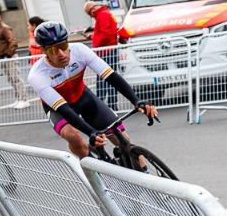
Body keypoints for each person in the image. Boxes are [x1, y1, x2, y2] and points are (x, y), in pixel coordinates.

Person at [29, 21, 157, 161]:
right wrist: (91, 132)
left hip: (83, 97)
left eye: (63, 46)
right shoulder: (37, 74)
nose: (61, 54)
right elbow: (63, 108)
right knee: (73, 137)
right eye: (53, 50)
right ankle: (93, 171)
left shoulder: (79, 50)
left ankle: (144, 174)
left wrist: (136, 101)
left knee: (124, 140)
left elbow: (110, 76)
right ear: (44, 51)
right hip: (58, 109)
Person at [0, 9, 29, 103]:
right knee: (11, 80)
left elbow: (13, 42)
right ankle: (18, 99)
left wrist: (8, 55)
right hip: (1, 59)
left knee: (16, 79)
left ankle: (24, 100)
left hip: (9, 58)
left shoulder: (4, 28)